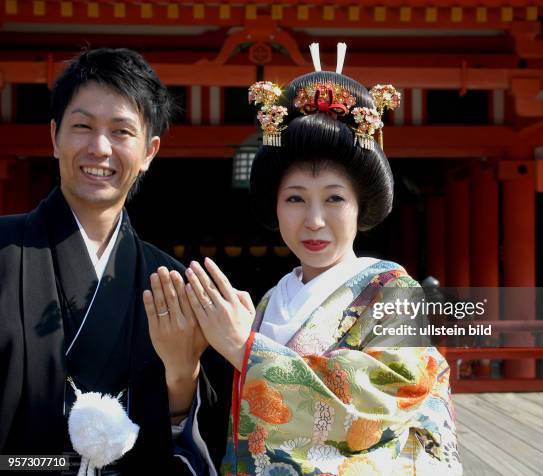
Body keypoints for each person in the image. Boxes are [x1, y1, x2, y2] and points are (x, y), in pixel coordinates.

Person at [148, 44, 462, 475]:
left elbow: (390, 397)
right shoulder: (270, 301)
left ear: (360, 206)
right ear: (275, 209)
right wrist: (183, 366)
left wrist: (246, 350)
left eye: (334, 198)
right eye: (295, 198)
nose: (314, 220)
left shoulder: (392, 291)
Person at [0, 48, 223, 475]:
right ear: (54, 137)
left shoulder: (172, 284)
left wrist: (182, 372)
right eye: (82, 126)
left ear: (149, 152)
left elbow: (193, 441)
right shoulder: (4, 254)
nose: (99, 148)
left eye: (121, 131)